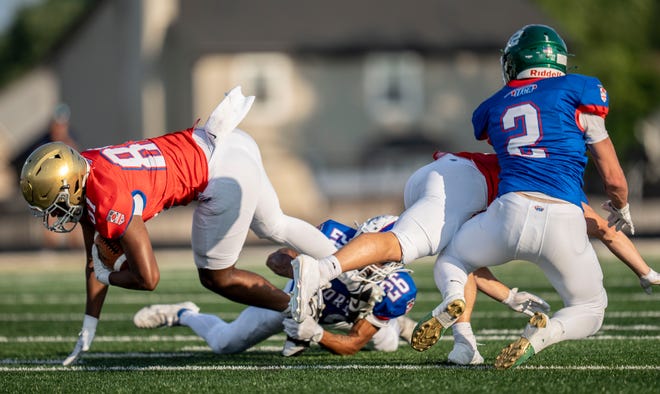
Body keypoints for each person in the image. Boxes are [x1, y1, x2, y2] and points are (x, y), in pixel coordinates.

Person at [18, 86, 338, 366]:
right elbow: (94, 258)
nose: (53, 215)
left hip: (220, 175)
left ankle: (298, 311)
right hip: (229, 141)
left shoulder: (107, 198)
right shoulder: (84, 165)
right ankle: (347, 263)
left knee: (217, 277)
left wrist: (111, 275)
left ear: (69, 186)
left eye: (53, 205)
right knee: (275, 224)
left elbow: (149, 278)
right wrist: (89, 323)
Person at [287, 149, 658, 364]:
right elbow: (607, 231)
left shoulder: (527, 159)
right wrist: (645, 272)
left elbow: (474, 263)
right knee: (404, 244)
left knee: (457, 256)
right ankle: (321, 269)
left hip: (447, 175)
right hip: (464, 182)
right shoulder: (555, 184)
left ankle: (465, 345)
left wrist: (509, 295)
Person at [420, 24, 637, 369]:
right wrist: (622, 206)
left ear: (515, 61)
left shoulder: (494, 105)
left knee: (453, 259)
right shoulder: (579, 90)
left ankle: (453, 301)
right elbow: (613, 177)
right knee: (590, 309)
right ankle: (541, 335)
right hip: (563, 218)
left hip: (508, 212)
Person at [132, 216, 418, 356]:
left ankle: (391, 321)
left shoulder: (397, 288)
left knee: (387, 345)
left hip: (350, 317)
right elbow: (275, 260)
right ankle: (184, 314)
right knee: (225, 343)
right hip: (296, 302)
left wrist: (317, 335)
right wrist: (306, 269)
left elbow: (353, 344)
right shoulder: (332, 236)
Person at [11, 103, 83, 250]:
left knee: (74, 217)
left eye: (62, 125)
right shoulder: (43, 143)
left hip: (68, 188)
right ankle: (51, 248)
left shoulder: (71, 141)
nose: (59, 129)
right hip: (50, 188)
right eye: (57, 125)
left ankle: (74, 249)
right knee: (48, 217)